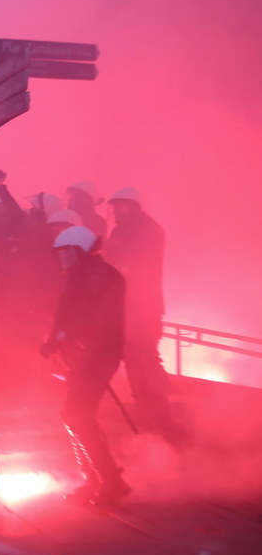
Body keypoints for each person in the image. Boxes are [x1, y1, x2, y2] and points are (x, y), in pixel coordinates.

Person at [41, 226, 131, 507]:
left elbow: (92, 317)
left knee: (77, 415)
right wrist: (58, 338)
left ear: (80, 250)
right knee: (75, 415)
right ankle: (95, 479)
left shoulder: (97, 276)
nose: (63, 259)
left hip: (98, 354)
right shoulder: (84, 275)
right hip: (86, 354)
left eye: (67, 252)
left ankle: (110, 482)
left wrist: (63, 337)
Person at [104, 188, 184, 442]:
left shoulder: (146, 230)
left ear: (133, 206)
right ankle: (151, 417)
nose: (115, 212)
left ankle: (161, 420)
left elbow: (127, 265)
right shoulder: (129, 229)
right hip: (131, 307)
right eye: (114, 207)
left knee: (145, 361)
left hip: (141, 307)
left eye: (119, 207)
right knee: (137, 361)